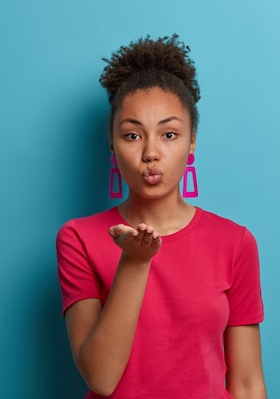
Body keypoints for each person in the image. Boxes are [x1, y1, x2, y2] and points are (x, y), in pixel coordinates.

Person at [56, 34, 267, 398]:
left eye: (169, 134)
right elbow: (101, 378)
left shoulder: (235, 243)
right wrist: (135, 262)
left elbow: (247, 383)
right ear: (111, 142)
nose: (151, 153)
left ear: (192, 141)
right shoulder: (79, 238)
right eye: (133, 135)